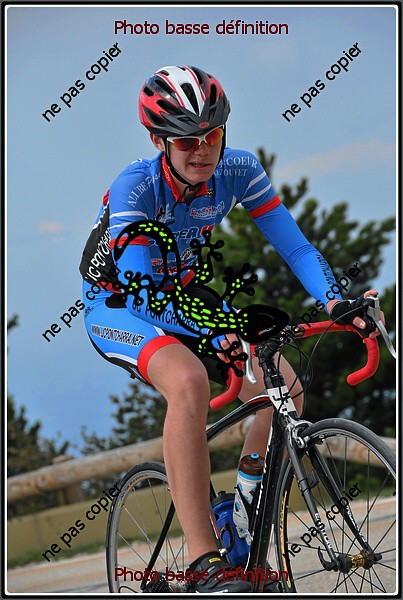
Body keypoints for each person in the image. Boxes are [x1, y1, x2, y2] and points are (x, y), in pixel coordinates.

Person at [80, 65, 383, 593]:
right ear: (158, 140)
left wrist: (336, 301)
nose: (203, 151)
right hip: (121, 303)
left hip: (184, 293)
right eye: (187, 141)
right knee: (188, 381)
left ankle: (241, 512)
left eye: (213, 135)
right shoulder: (137, 187)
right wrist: (214, 330)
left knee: (284, 387)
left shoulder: (240, 169)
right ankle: (204, 561)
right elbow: (143, 291)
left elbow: (295, 247)